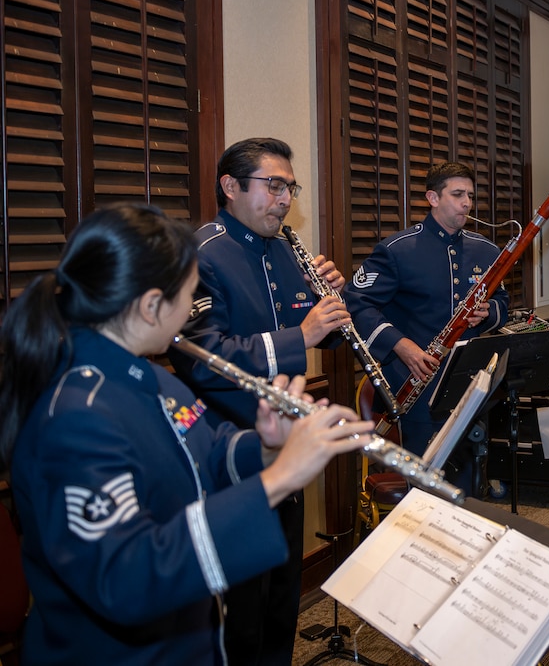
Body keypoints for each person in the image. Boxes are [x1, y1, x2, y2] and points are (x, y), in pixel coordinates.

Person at [0, 204, 371, 665]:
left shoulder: (151, 377)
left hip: (188, 634)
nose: (193, 315)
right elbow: (127, 578)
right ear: (152, 306)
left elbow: (209, 452)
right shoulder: (74, 416)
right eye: (189, 297)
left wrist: (271, 444)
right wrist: (278, 479)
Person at [169, 137, 352, 665]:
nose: (284, 199)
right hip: (229, 445)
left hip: (288, 440)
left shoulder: (287, 249)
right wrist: (304, 333)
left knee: (282, 591)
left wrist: (334, 311)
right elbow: (202, 354)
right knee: (242, 604)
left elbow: (324, 334)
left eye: (289, 188)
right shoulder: (202, 252)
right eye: (274, 186)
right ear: (230, 187)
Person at [343, 161, 509, 464]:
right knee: (424, 484)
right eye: (458, 194)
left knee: (469, 476)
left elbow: (503, 303)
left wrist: (488, 312)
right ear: (433, 198)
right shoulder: (397, 250)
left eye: (470, 196)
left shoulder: (485, 250)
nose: (467, 203)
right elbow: (355, 303)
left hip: (469, 382)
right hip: (416, 384)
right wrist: (400, 345)